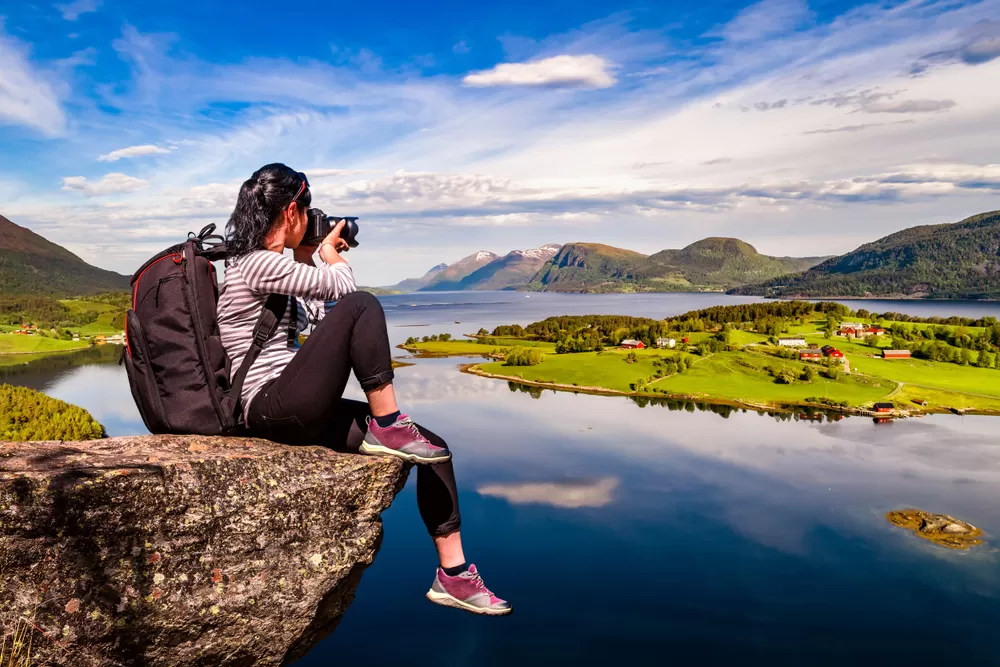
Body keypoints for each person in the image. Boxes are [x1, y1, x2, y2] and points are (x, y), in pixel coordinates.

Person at [217, 163, 510, 616]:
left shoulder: (276, 269)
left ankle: (453, 575)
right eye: (309, 211)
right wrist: (331, 258)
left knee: (433, 448)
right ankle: (388, 422)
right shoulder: (254, 263)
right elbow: (345, 294)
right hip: (267, 405)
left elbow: (324, 319)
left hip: (293, 405)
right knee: (364, 302)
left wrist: (307, 255)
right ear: (293, 210)